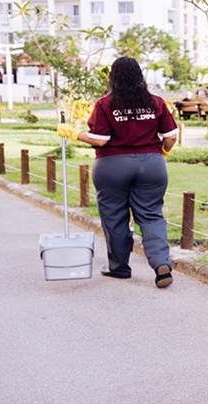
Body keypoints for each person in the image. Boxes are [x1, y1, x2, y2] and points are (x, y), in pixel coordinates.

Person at [57, 56, 179, 288]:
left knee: (114, 217)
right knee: (152, 215)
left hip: (112, 165)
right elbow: (171, 136)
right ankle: (161, 263)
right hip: (152, 165)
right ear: (139, 76)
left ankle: (120, 268)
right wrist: (163, 151)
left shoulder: (105, 104)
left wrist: (72, 133)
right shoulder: (156, 102)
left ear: (113, 77)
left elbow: (100, 140)